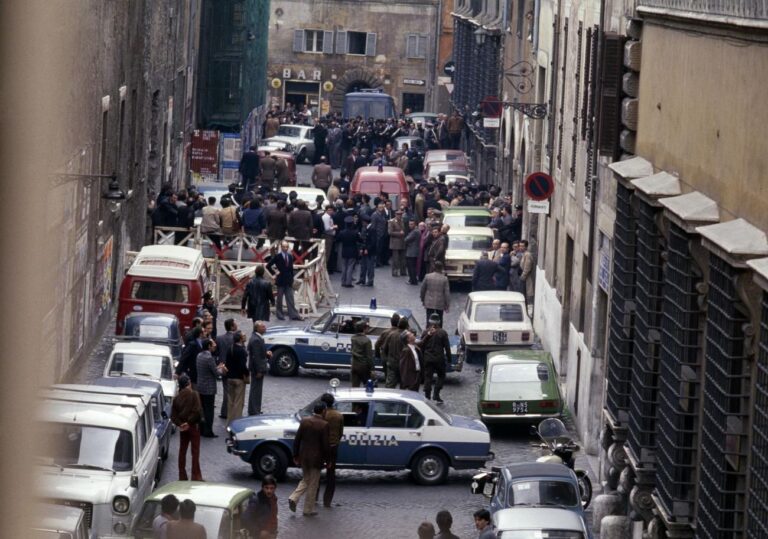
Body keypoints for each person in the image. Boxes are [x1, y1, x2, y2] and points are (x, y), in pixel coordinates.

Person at [288, 402, 330, 517]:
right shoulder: (324, 425)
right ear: (323, 411)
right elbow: (325, 445)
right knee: (313, 483)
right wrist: (328, 460)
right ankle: (308, 509)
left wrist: (295, 455)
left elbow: (297, 439)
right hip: (316, 459)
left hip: (304, 457)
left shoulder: (305, 421)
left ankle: (294, 498)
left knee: (306, 479)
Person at [171, 374, 203, 481]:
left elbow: (173, 416)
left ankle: (182, 475)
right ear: (188, 383)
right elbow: (197, 411)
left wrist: (181, 424)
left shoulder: (176, 398)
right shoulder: (194, 394)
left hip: (183, 428)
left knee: (182, 451)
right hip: (193, 426)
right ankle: (195, 475)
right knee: (195, 452)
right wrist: (189, 423)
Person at [266, 240, 304, 321]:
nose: (285, 248)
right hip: (280, 280)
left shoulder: (290, 256)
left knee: (290, 298)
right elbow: (268, 265)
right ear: (281, 247)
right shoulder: (277, 256)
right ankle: (279, 314)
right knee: (279, 299)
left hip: (288, 280)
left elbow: (290, 269)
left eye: (287, 247)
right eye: (284, 247)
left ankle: (293, 315)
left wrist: (292, 278)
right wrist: (275, 272)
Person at [319, 393, 344, 507]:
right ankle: (327, 500)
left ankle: (314, 495)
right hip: (333, 446)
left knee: (316, 471)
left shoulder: (322, 415)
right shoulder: (339, 416)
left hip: (321, 446)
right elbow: (340, 432)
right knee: (331, 473)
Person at [420, 314, 452, 403]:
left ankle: (427, 396)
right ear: (439, 322)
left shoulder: (425, 332)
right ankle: (436, 393)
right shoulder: (443, 332)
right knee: (441, 375)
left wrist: (422, 357)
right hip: (439, 358)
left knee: (428, 377)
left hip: (427, 358)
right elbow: (447, 347)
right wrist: (449, 358)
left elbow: (421, 345)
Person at [195, 339, 222, 438]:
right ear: (209, 346)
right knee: (209, 410)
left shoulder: (199, 355)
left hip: (201, 386)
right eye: (213, 344)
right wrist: (221, 369)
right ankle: (208, 431)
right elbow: (216, 373)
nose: (215, 345)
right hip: (209, 388)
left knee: (203, 409)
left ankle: (202, 429)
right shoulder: (209, 358)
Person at [247, 321, 272, 416]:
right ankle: (254, 410)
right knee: (255, 390)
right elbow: (256, 357)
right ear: (257, 328)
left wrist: (266, 354)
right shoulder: (256, 340)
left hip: (257, 368)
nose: (265, 328)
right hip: (257, 369)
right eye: (262, 327)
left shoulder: (257, 338)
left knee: (257, 390)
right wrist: (259, 370)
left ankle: (255, 408)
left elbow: (258, 353)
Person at [215, 319, 237, 420]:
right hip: (234, 368)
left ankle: (225, 411)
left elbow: (215, 353)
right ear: (232, 327)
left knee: (226, 390)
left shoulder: (219, 338)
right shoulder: (236, 338)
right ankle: (231, 411)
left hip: (223, 367)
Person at [225, 331, 248, 425]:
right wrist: (246, 373)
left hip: (230, 377)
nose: (245, 336)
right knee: (238, 403)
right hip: (239, 379)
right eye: (244, 335)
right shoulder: (242, 350)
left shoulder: (230, 348)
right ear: (240, 338)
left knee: (230, 402)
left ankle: (229, 422)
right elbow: (243, 366)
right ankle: (236, 424)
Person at [420, 261, 450, 328]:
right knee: (439, 319)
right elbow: (446, 293)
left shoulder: (427, 276)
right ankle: (439, 331)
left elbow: (422, 289)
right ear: (441, 268)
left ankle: (428, 331)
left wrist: (422, 299)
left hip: (429, 302)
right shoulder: (444, 279)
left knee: (429, 319)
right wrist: (447, 304)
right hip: (440, 302)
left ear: (434, 267)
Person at [374, 313, 401, 383]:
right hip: (398, 358)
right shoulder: (401, 333)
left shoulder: (385, 332)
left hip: (386, 357)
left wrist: (377, 355)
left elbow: (377, 345)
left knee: (388, 377)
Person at [336, 217, 360, 287]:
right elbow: (359, 240)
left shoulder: (342, 232)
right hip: (352, 250)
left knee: (344, 266)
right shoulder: (355, 233)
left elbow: (337, 239)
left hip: (344, 250)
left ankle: (343, 281)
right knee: (350, 267)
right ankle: (348, 282)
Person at [350, 320, 374, 387]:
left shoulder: (353, 338)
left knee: (355, 386)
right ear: (364, 329)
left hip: (354, 365)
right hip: (364, 367)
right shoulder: (367, 340)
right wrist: (372, 369)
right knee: (367, 385)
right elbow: (369, 356)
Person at [356, 216, 377, 287]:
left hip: (370, 251)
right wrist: (362, 248)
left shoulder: (372, 229)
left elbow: (373, 242)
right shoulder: (366, 228)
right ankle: (362, 279)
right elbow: (363, 240)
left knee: (370, 267)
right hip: (365, 250)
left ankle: (370, 281)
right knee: (363, 265)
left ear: (365, 222)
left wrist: (367, 249)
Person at [388, 209, 406, 277]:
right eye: (398, 214)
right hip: (395, 242)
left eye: (400, 214)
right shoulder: (391, 221)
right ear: (395, 215)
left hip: (402, 242)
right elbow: (390, 232)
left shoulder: (402, 221)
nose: (399, 216)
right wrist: (399, 233)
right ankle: (395, 272)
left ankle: (402, 271)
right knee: (395, 258)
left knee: (402, 258)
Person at [404, 219, 421, 285]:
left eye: (411, 224)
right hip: (413, 251)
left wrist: (407, 238)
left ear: (415, 224)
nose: (410, 225)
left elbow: (406, 239)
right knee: (412, 267)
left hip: (412, 252)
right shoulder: (416, 231)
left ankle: (413, 280)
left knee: (411, 267)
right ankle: (412, 279)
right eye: (409, 224)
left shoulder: (414, 231)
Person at [519, 239, 535, 304]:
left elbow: (527, 268)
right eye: (520, 246)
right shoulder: (524, 254)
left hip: (526, 278)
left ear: (526, 247)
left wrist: (523, 277)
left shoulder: (528, 255)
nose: (521, 247)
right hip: (523, 277)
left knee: (525, 294)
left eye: (522, 246)